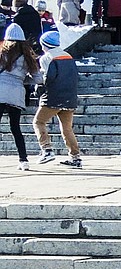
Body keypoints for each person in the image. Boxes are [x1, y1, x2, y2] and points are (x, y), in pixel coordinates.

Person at [33, 31, 82, 168]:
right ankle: (75, 157)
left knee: (39, 122)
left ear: (45, 44)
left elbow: (47, 78)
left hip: (53, 97)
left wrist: (39, 89)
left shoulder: (46, 58)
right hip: (70, 97)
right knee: (67, 128)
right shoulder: (68, 56)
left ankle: (46, 150)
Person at [0, 25, 37, 171]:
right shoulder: (28, 55)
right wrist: (21, 79)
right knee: (15, 127)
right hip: (16, 93)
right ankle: (23, 160)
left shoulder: (2, 52)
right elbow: (38, 79)